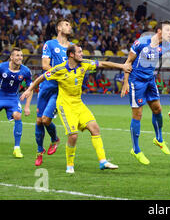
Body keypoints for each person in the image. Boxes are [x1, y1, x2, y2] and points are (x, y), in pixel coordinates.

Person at [21, 45, 132, 173]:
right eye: (79, 52)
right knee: (73, 136)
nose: (82, 54)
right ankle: (70, 166)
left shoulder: (84, 64)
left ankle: (103, 161)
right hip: (65, 106)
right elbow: (42, 77)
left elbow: (102, 64)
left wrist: (122, 66)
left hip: (79, 104)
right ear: (71, 55)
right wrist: (29, 89)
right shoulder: (59, 69)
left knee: (95, 128)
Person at [121, 21, 170, 165]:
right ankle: (136, 150)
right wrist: (125, 81)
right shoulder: (142, 43)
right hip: (136, 81)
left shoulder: (167, 45)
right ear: (159, 31)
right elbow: (128, 62)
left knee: (158, 109)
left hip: (150, 80)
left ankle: (159, 139)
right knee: (138, 114)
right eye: (168, 30)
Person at [34, 19, 72, 166]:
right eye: (66, 24)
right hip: (45, 87)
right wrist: (60, 73)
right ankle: (39, 151)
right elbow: (45, 65)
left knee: (45, 120)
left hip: (59, 89)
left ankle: (55, 139)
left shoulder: (72, 48)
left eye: (70, 25)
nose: (69, 27)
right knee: (38, 120)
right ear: (59, 28)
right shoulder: (49, 44)